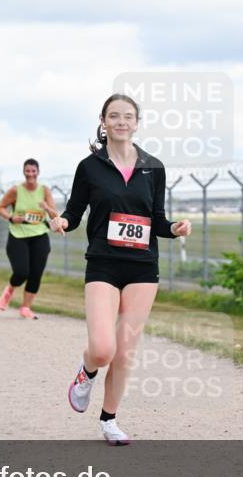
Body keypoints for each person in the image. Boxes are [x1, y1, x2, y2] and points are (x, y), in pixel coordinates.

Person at [50, 94, 192, 446]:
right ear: (103, 121)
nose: (121, 122)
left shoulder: (153, 167)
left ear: (137, 123)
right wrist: (63, 222)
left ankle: (109, 420)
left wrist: (173, 228)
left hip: (143, 267)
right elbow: (75, 210)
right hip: (103, 263)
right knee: (102, 348)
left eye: (128, 116)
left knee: (125, 350)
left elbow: (156, 219)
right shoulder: (90, 167)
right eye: (114, 116)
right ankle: (86, 373)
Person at [0, 158, 59, 320]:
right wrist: (10, 217)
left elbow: (54, 215)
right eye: (27, 171)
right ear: (24, 172)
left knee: (36, 273)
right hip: (18, 235)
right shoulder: (16, 190)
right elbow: (0, 207)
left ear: (38, 172)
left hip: (39, 234)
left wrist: (47, 207)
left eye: (33, 171)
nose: (30, 174)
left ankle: (26, 307)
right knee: (22, 271)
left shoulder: (44, 190)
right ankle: (9, 289)